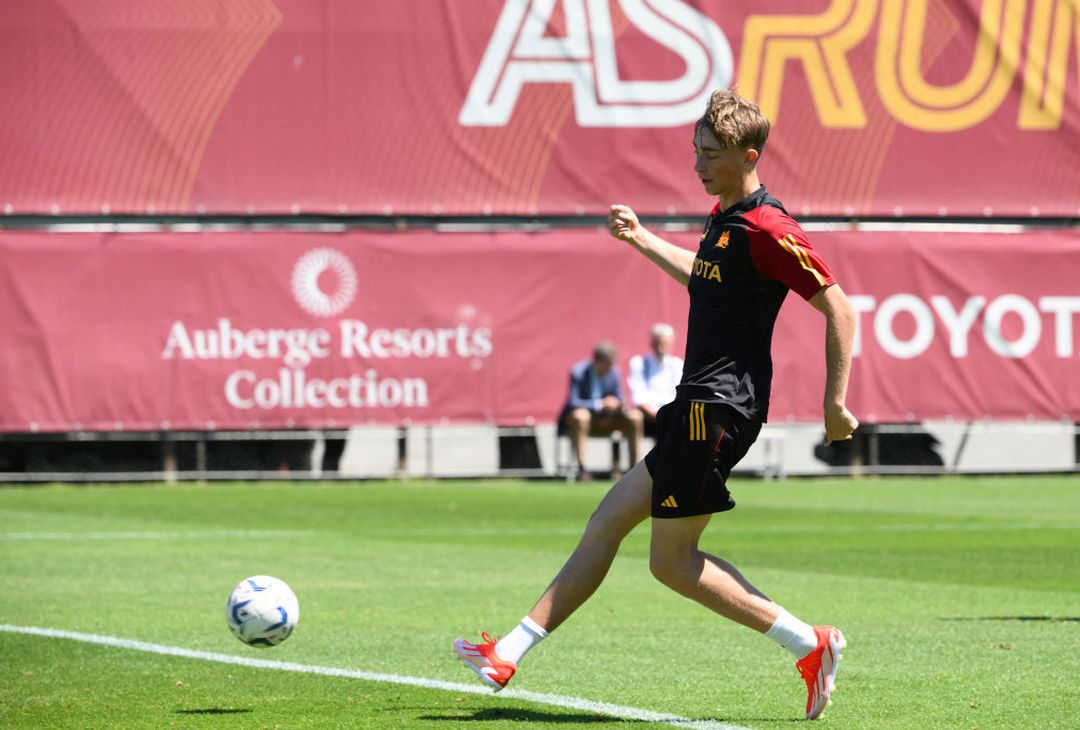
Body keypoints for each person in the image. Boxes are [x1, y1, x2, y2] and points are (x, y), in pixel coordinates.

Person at [455, 89, 858, 721]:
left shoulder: (769, 228)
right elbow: (706, 276)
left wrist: (835, 403)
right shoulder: (725, 216)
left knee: (671, 564)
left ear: (748, 155)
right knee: (606, 522)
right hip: (693, 405)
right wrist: (642, 239)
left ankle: (811, 644)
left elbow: (839, 306)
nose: (697, 165)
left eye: (711, 155)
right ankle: (506, 651)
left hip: (716, 408)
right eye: (695, 151)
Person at [557, 341, 643, 480]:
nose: (610, 369)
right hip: (583, 421)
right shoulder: (578, 371)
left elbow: (619, 395)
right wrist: (599, 404)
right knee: (581, 416)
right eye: (607, 365)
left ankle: (635, 468)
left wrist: (619, 404)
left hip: (608, 418)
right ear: (597, 362)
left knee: (635, 417)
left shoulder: (614, 372)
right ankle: (582, 469)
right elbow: (573, 402)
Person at [626, 322, 684, 459]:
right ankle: (635, 463)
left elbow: (679, 394)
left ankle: (675, 463)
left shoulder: (677, 364)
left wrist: (666, 413)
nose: (661, 347)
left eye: (665, 343)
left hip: (669, 414)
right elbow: (638, 396)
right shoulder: (639, 363)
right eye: (658, 342)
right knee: (634, 417)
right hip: (646, 415)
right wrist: (656, 414)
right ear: (652, 343)